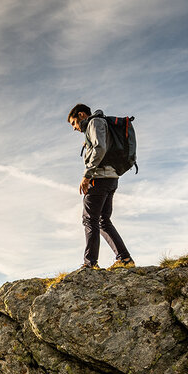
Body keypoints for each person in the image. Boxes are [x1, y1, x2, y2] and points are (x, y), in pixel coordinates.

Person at [67, 103, 135, 270]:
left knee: (89, 219)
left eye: (73, 123)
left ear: (81, 115)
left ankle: (90, 264)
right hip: (111, 177)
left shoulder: (94, 123)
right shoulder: (100, 123)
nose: (74, 128)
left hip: (99, 178)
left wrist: (87, 176)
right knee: (103, 220)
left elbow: (100, 148)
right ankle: (125, 259)